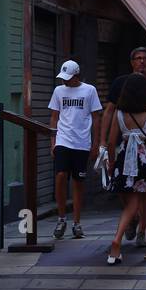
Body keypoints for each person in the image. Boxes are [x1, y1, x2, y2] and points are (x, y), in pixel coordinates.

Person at [102, 47, 146, 245]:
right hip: (132, 149)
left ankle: (140, 229)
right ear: (131, 62)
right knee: (131, 194)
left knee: (141, 196)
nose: (141, 62)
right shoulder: (120, 83)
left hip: (142, 147)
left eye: (145, 58)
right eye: (137, 58)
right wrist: (102, 142)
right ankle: (143, 233)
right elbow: (108, 112)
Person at [48, 59, 102, 240]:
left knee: (78, 183)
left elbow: (96, 118)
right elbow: (54, 117)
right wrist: (53, 141)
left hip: (82, 142)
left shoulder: (89, 90)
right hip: (63, 140)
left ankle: (77, 222)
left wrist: (95, 144)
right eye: (63, 77)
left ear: (76, 75)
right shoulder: (58, 91)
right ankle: (61, 217)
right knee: (61, 176)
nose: (64, 81)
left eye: (68, 78)